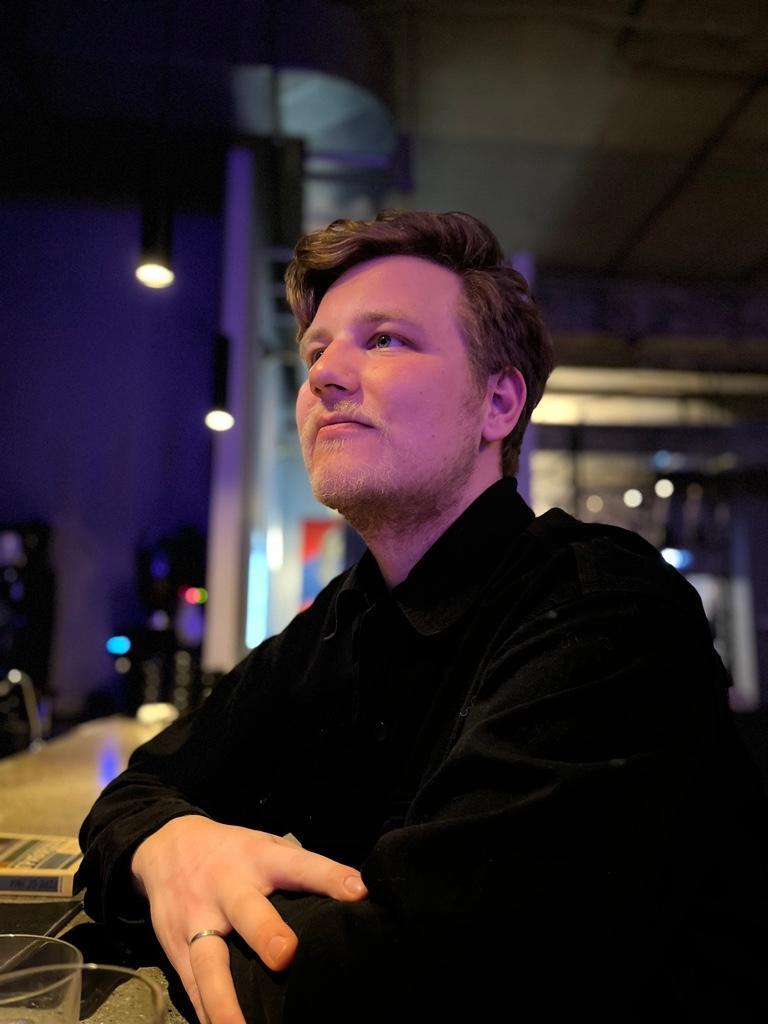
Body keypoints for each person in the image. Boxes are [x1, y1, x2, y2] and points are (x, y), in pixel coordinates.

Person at [76, 210, 768, 1023]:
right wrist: (176, 848)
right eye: (315, 351)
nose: (325, 376)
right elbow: (138, 795)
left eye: (385, 340)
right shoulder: (343, 618)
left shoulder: (605, 614)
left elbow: (416, 985)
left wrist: (182, 910)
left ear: (498, 403)